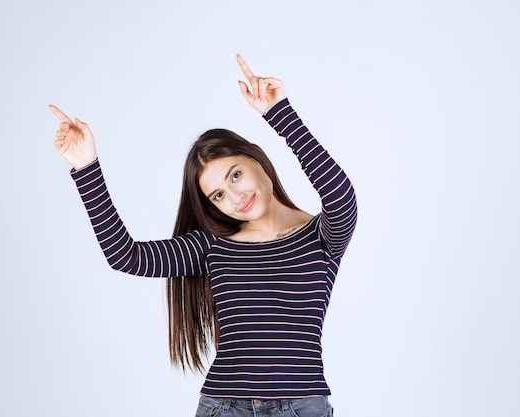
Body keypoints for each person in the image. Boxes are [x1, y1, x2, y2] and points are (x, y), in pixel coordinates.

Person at [50, 54, 357, 417]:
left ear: (256, 160)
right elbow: (125, 256)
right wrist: (87, 168)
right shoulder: (212, 246)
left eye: (235, 175)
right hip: (223, 407)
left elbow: (340, 196)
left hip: (301, 405)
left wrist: (280, 113)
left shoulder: (321, 237)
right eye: (218, 195)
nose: (235, 197)